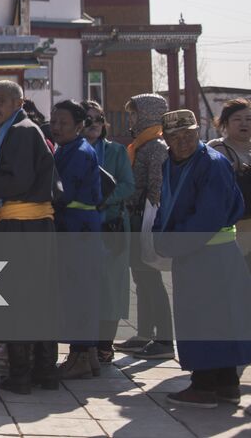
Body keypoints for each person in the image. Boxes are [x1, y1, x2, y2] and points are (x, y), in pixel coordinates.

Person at [151, 110, 251, 408]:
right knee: (215, 318)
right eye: (176, 136)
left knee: (207, 318)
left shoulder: (212, 163)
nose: (183, 141)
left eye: (189, 135)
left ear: (199, 132)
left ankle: (204, 385)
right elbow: (165, 202)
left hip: (211, 253)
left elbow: (208, 217)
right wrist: (160, 235)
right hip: (193, 252)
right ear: (166, 139)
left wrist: (172, 243)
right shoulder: (172, 162)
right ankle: (225, 385)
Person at [0, 81, 58, 395]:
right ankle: (44, 372)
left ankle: (22, 374)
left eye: (1, 101)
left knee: (20, 299)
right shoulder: (20, 129)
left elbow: (16, 181)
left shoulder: (20, 131)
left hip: (22, 227)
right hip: (30, 226)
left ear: (18, 101)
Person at [49, 100, 104, 379]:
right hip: (78, 227)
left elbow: (62, 192)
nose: (56, 127)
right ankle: (88, 355)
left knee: (77, 293)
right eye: (54, 121)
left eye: (63, 123)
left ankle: (80, 356)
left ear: (79, 126)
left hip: (77, 228)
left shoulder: (78, 152)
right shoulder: (70, 149)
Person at [120, 93, 174, 360]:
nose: (132, 119)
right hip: (135, 217)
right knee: (142, 279)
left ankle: (164, 339)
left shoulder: (156, 146)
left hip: (145, 219)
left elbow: (157, 188)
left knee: (151, 280)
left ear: (149, 114)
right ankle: (144, 333)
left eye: (134, 114)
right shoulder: (141, 144)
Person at [81, 100, 135, 364]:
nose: (94, 124)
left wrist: (102, 199)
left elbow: (128, 185)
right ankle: (84, 344)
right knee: (84, 287)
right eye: (88, 119)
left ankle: (105, 344)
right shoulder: (71, 150)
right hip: (81, 229)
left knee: (111, 289)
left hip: (111, 227)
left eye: (98, 119)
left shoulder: (115, 151)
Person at [207, 98, 251, 274]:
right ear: (225, 122)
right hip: (231, 228)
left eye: (248, 119)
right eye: (237, 119)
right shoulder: (217, 148)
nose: (244, 123)